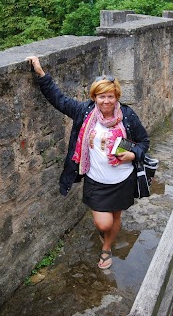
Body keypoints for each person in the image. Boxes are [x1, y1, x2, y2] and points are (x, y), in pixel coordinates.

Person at [27, 56, 149, 269]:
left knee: (115, 216)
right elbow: (58, 99)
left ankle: (106, 248)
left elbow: (144, 141)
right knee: (104, 222)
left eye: (110, 96)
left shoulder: (128, 116)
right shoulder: (84, 113)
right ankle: (105, 235)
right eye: (101, 96)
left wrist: (133, 154)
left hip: (122, 178)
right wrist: (40, 73)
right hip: (96, 180)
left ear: (116, 96)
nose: (106, 101)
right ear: (94, 97)